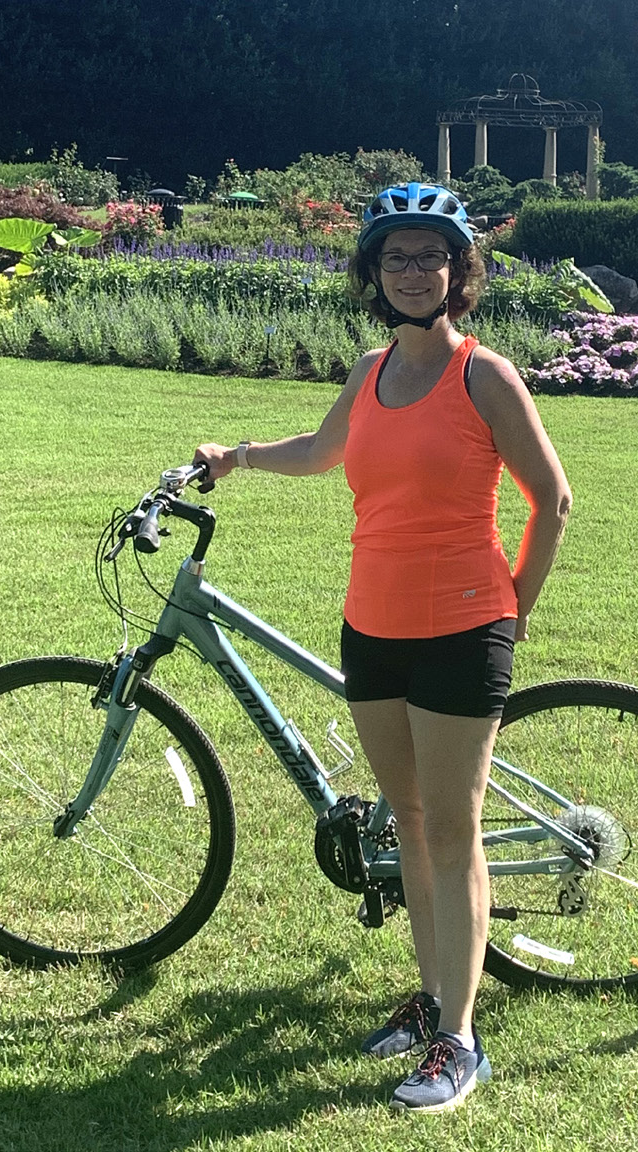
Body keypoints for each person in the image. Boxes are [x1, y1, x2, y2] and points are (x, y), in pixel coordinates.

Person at [195, 182, 571, 1113]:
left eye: (429, 257)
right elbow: (323, 450)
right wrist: (238, 457)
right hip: (373, 625)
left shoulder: (484, 374)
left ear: (457, 271)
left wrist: (512, 607)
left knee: (450, 832)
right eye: (396, 257)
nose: (414, 273)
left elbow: (551, 501)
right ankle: (431, 996)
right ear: (373, 272)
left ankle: (460, 1041)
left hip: (460, 626)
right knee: (405, 824)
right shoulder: (368, 370)